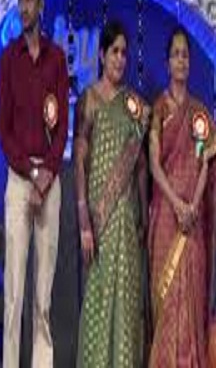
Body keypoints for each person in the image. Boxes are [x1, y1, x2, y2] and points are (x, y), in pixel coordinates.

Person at [0, 0, 69, 368]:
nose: (24, 7)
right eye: (20, 0)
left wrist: (47, 176)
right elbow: (4, 131)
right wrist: (30, 173)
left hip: (50, 183)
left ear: (41, 4)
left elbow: (63, 129)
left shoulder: (57, 59)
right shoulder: (9, 59)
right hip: (19, 180)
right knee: (14, 293)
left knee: (43, 295)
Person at [147, 28, 216, 367]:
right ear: (167, 62)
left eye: (185, 55)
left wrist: (194, 205)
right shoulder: (159, 108)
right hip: (167, 214)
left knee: (191, 293)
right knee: (166, 297)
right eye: (175, 55)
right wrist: (177, 204)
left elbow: (207, 161)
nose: (181, 60)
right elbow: (154, 164)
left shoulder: (198, 114)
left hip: (191, 218)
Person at [74, 20, 150, 368]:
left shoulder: (134, 105)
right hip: (98, 219)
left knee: (125, 303)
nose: (120, 58)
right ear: (102, 55)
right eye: (114, 51)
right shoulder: (88, 100)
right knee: (99, 299)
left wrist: (143, 215)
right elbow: (79, 162)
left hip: (127, 220)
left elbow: (140, 166)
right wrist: (84, 222)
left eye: (124, 52)